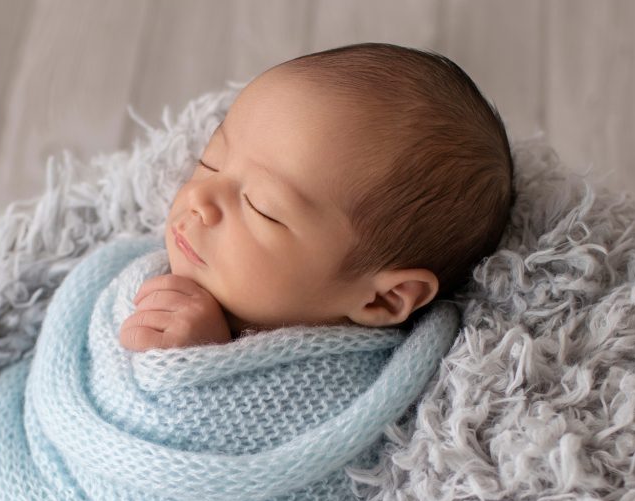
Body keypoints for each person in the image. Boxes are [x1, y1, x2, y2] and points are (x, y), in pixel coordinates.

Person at [119, 42, 514, 352]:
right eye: (211, 161)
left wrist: (198, 364)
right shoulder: (138, 262)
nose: (200, 197)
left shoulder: (339, 387)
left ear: (383, 300)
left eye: (262, 208)